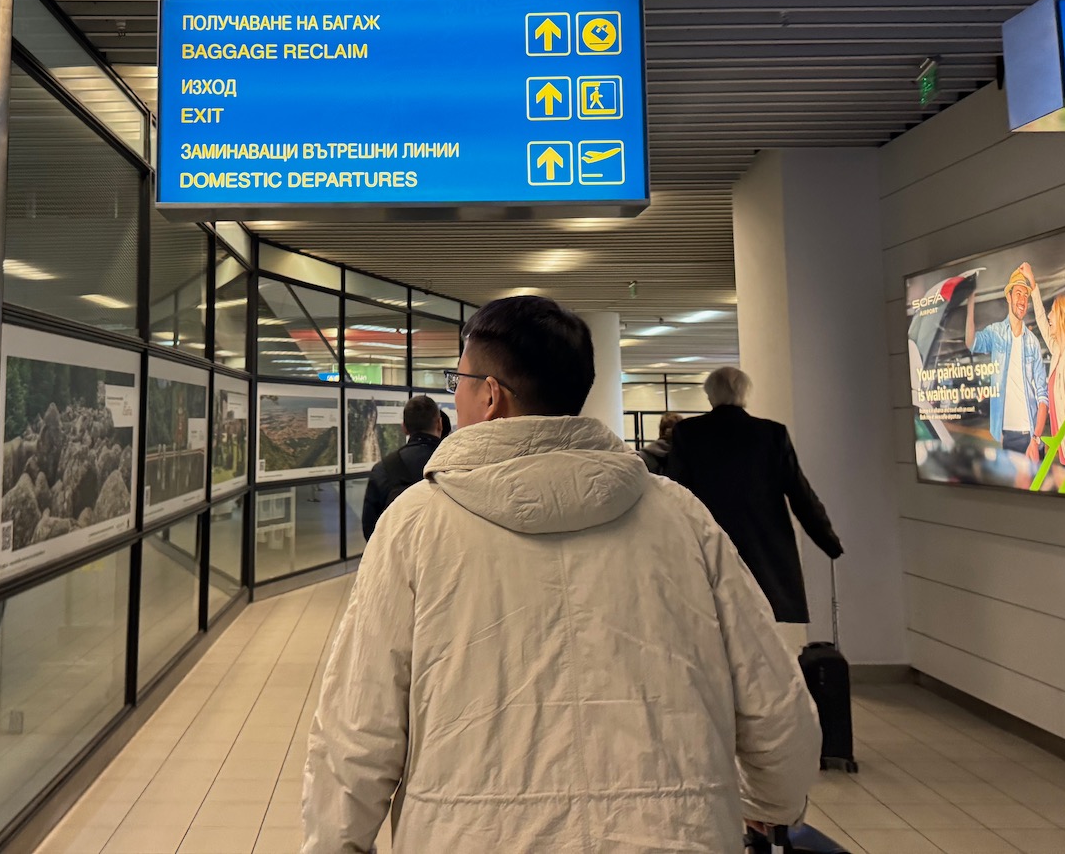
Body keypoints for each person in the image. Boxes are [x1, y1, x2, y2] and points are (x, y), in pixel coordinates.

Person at [303, 296, 820, 854]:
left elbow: (359, 724)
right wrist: (771, 802)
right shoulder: (680, 515)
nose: (455, 392)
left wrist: (337, 843)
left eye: (459, 376)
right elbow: (773, 696)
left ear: (490, 394)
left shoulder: (415, 524)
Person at [665, 367, 843, 641]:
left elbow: (675, 491)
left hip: (708, 542)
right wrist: (827, 540)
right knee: (759, 629)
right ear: (745, 394)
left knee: (713, 624)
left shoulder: (688, 434)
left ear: (710, 396)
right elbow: (800, 494)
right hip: (764, 546)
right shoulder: (772, 434)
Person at [967, 265, 1049, 463]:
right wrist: (970, 304)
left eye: (1026, 296)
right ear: (1009, 297)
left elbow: (1042, 396)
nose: (1022, 300)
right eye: (1018, 293)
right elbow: (971, 343)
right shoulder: (995, 333)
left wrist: (1036, 438)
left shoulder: (1032, 342)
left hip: (1030, 435)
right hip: (1005, 436)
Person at [1026, 264, 1065, 472]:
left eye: (1053, 312)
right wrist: (1033, 285)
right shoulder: (1059, 352)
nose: (1050, 317)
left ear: (1062, 317)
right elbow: (1042, 322)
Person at [361, 394, 443, 539]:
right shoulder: (455, 464)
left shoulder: (384, 469)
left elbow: (370, 529)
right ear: (439, 424)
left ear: (404, 428)